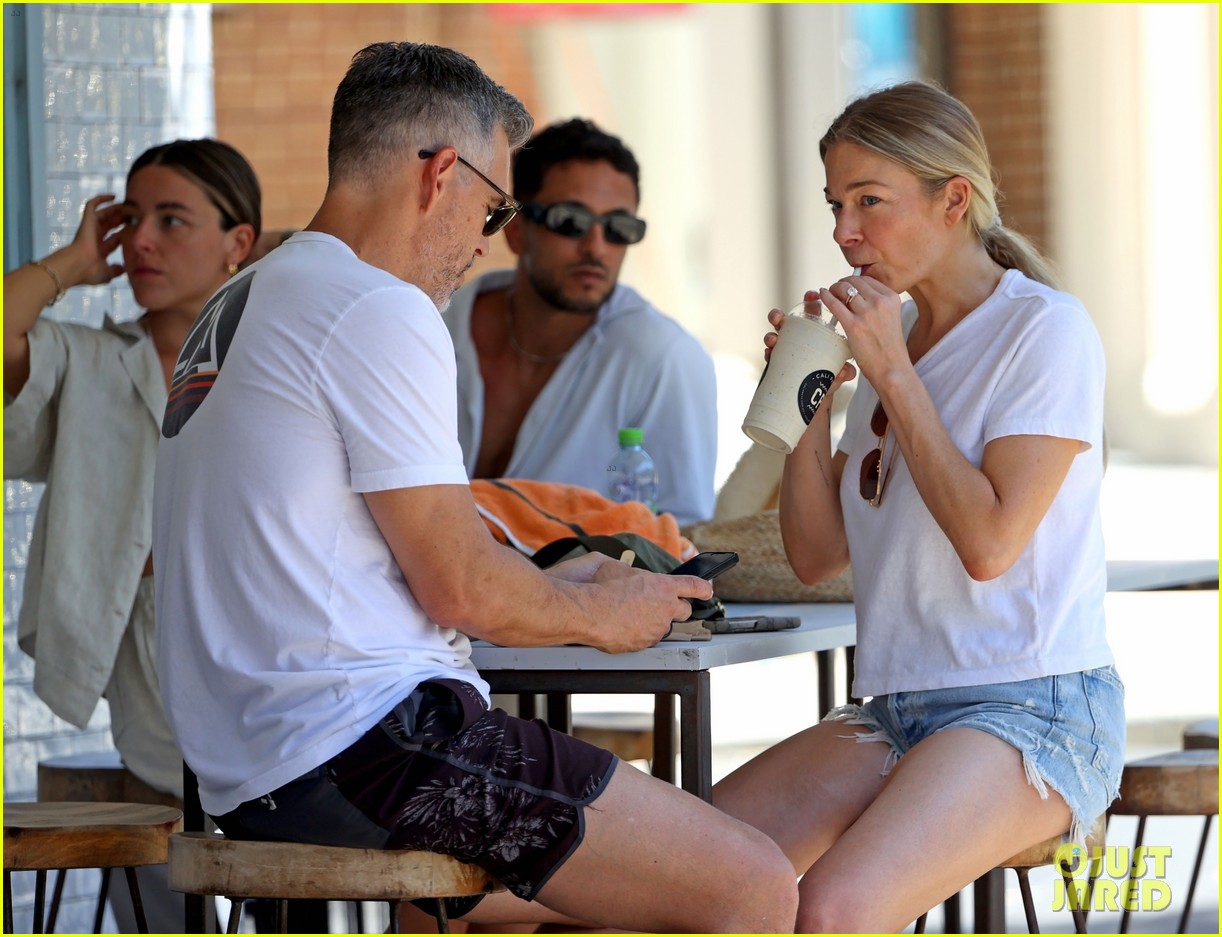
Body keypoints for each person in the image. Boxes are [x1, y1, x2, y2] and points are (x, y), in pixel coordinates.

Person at [151, 41, 796, 934]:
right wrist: (611, 614)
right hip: (375, 750)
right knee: (750, 883)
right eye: (493, 207)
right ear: (441, 174)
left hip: (252, 769)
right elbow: (460, 586)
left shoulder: (252, 293)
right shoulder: (376, 304)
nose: (485, 240)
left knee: (577, 898)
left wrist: (564, 581)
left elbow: (342, 551)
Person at [712, 80, 1124, 933]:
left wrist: (893, 374)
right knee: (701, 873)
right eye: (835, 204)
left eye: (870, 200)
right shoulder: (891, 338)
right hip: (894, 707)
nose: (844, 231)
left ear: (954, 201)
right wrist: (812, 408)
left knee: (829, 909)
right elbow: (816, 557)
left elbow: (989, 544)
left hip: (1029, 703)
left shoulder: (1044, 331)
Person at [4, 138, 260, 931]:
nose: (141, 240)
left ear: (237, 243)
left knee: (280, 852)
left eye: (172, 219)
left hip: (262, 642)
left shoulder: (274, 357)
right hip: (142, 655)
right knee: (163, 844)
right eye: (131, 218)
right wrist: (67, 266)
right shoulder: (90, 359)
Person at [443, 118, 717, 526]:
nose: (596, 248)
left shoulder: (665, 359)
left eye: (618, 228)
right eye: (570, 221)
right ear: (515, 230)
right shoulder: (436, 325)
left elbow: (683, 536)